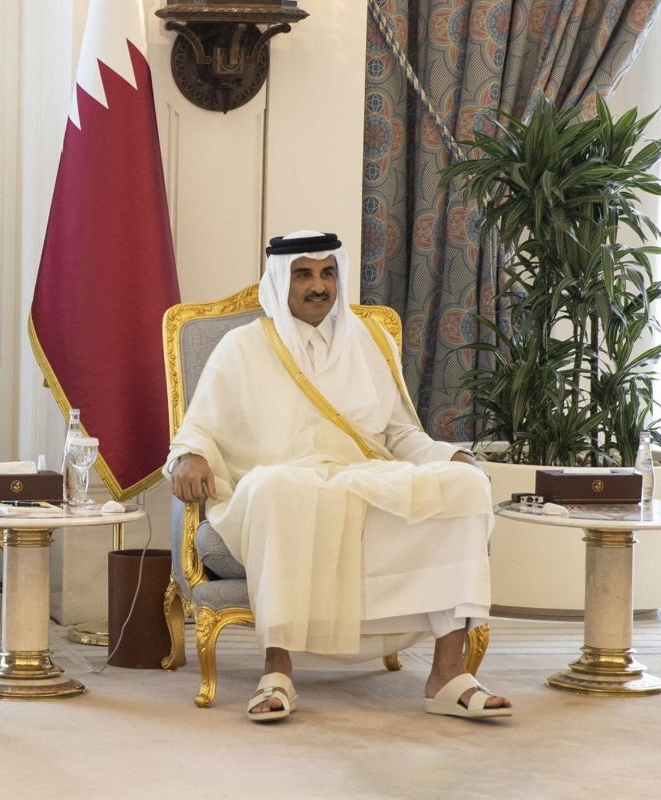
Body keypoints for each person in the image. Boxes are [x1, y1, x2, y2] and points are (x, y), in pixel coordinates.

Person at [166, 230, 512, 722]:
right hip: (287, 485)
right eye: (304, 274)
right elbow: (197, 427)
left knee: (464, 485)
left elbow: (397, 435)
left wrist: (447, 456)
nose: (318, 286)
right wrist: (192, 455)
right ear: (280, 279)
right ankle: (277, 671)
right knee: (273, 488)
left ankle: (448, 674)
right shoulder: (241, 346)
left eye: (328, 273)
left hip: (365, 476)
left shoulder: (368, 341)